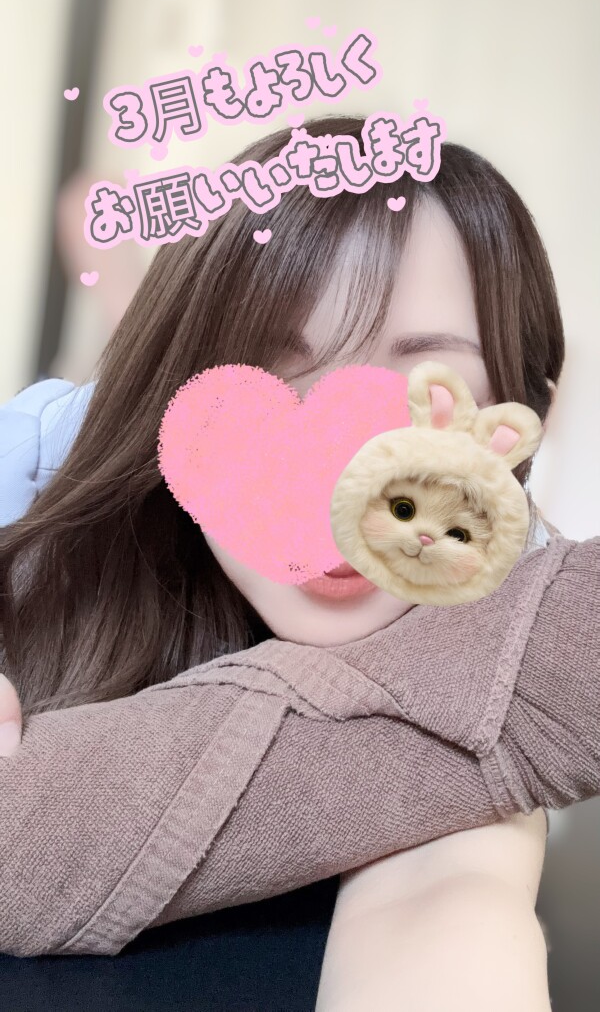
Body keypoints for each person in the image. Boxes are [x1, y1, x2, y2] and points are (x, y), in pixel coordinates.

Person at [0, 115, 593, 1010]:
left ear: (515, 423)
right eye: (273, 375)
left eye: (421, 387)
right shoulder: (52, 551)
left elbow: (445, 910)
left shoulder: (494, 690)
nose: (338, 472)